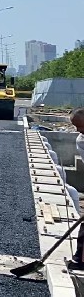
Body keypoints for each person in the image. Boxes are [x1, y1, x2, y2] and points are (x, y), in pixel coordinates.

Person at [69, 109, 84, 267]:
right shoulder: (81, 141)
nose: (78, 130)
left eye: (80, 125)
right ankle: (79, 259)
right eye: (75, 126)